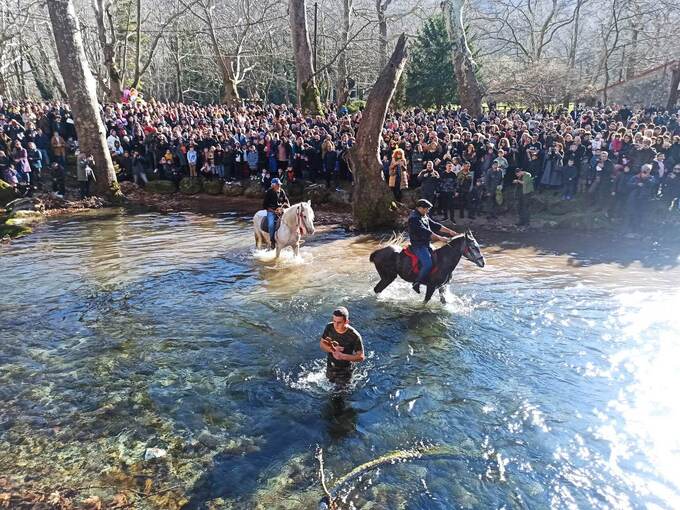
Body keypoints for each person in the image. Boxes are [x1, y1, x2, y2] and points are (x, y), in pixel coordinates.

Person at [407, 199, 458, 294]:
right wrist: (440, 238)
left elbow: (435, 225)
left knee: (439, 259)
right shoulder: (414, 219)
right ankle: (416, 282)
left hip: (427, 244)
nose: (428, 211)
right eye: (426, 209)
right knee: (428, 264)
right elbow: (426, 232)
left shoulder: (424, 215)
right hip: (418, 245)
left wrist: (450, 231)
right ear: (420, 208)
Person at [319, 307, 365, 385]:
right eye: (334, 321)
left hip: (345, 370)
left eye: (339, 322)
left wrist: (342, 356)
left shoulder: (354, 335)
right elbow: (322, 344)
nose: (335, 325)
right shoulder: (329, 327)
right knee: (327, 386)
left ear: (346, 321)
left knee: (338, 395)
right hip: (331, 365)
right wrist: (332, 350)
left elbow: (361, 357)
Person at [262, 177, 289, 249]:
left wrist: (282, 208)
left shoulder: (282, 191)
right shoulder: (269, 192)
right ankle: (272, 241)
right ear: (273, 185)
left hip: (281, 210)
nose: (279, 186)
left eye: (279, 184)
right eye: (278, 184)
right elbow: (265, 205)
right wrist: (273, 211)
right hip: (271, 211)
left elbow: (286, 202)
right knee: (271, 224)